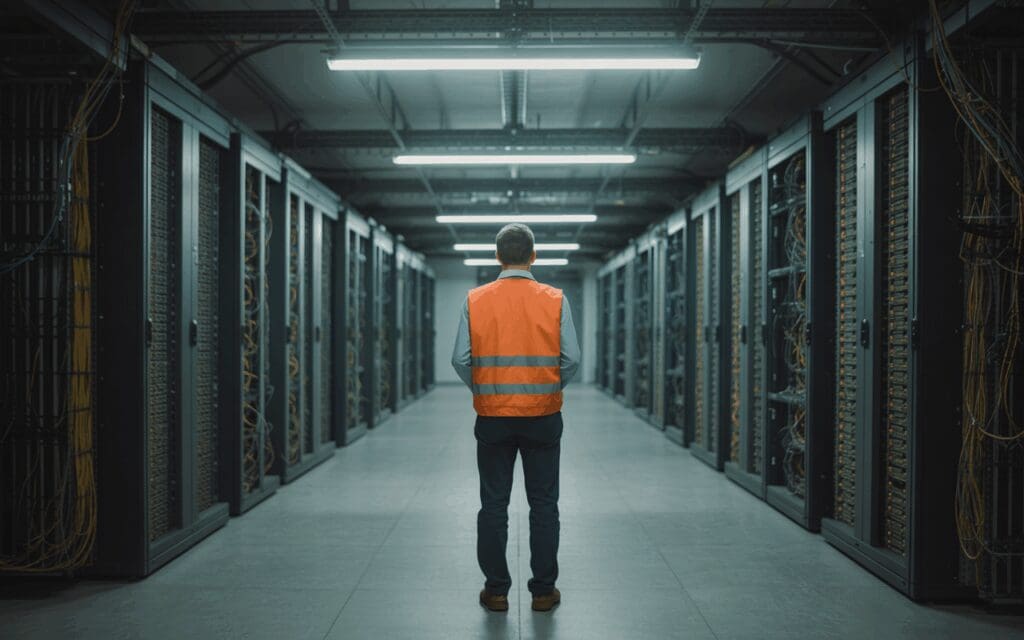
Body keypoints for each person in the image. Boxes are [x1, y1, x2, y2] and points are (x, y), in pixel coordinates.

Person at [451, 223, 581, 613]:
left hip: (493, 417)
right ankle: (543, 592)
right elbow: (571, 359)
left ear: (497, 257)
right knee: (544, 505)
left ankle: (496, 591)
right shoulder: (555, 298)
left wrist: (484, 389)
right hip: (544, 415)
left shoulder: (475, 299)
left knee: (493, 505)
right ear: (533, 256)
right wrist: (549, 388)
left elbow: (460, 359)